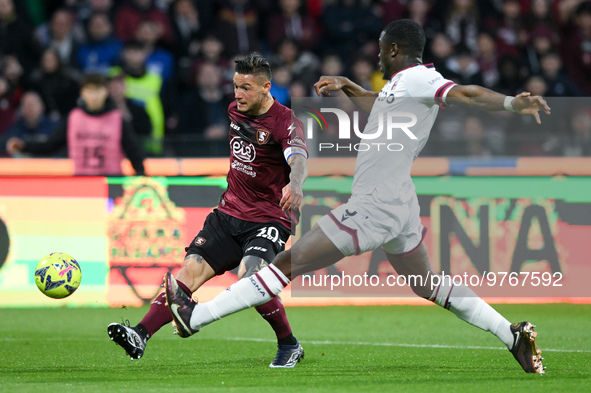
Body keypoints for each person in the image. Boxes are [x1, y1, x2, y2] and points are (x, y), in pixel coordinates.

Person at [164, 19, 550, 375]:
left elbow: (466, 92)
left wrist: (511, 103)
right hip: (400, 202)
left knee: (284, 263)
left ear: (395, 49)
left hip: (374, 205)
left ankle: (194, 319)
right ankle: (511, 333)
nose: (378, 56)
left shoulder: (419, 80)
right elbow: (381, 108)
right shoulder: (402, 86)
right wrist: (351, 87)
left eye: (382, 49)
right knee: (427, 283)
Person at [107, 54, 309, 368]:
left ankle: (289, 344)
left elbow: (297, 157)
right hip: (228, 214)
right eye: (235, 87)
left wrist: (294, 183)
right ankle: (140, 334)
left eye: (246, 88)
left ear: (267, 87)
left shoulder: (285, 121)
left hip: (268, 218)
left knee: (252, 275)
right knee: (188, 270)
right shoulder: (234, 111)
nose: (238, 94)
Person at [6, 73, 145, 176]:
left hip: (111, 180)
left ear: (106, 92)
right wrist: (24, 146)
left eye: (98, 90)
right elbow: (50, 145)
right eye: (90, 90)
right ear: (82, 93)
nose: (94, 96)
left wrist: (140, 179)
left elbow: (135, 154)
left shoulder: (118, 119)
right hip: (81, 180)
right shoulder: (74, 118)